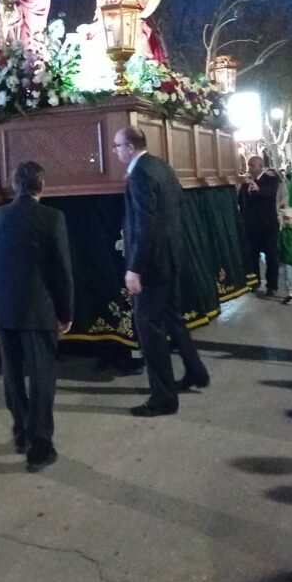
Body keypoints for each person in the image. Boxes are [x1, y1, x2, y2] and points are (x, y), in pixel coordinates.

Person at [0, 160, 74, 472]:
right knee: (42, 376)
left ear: (14, 184)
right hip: (38, 309)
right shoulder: (52, 217)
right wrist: (66, 312)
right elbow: (61, 269)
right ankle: (40, 447)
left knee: (13, 375)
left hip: (1, 309)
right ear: (41, 186)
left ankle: (21, 434)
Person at [113, 127, 210, 416]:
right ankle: (195, 372)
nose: (115, 150)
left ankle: (163, 398)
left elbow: (147, 224)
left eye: (117, 145)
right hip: (171, 257)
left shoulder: (141, 173)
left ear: (130, 147)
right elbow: (176, 206)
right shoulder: (160, 166)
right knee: (172, 318)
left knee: (149, 328)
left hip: (152, 264)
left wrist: (135, 268)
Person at [239, 156, 281, 296]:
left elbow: (271, 193)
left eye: (252, 165)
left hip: (268, 226)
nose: (249, 168)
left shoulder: (271, 180)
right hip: (251, 226)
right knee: (252, 256)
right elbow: (242, 203)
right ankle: (254, 282)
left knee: (271, 256)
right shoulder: (245, 184)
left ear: (261, 166)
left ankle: (272, 285)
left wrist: (258, 189)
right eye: (248, 165)